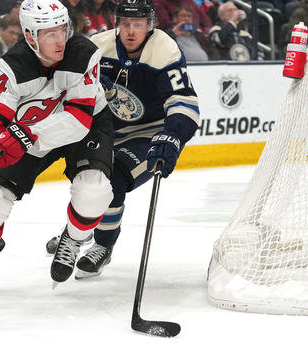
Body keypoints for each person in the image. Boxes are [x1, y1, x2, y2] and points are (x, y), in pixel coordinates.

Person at [0, 0, 114, 291]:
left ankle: (72, 238)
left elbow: (78, 120)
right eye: (50, 34)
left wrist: (26, 134)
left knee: (94, 191)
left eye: (63, 30)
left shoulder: (83, 53)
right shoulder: (12, 65)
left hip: (85, 126)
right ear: (31, 35)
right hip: (32, 132)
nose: (61, 40)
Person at [46, 0, 199, 280]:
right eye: (125, 24)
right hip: (106, 131)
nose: (130, 31)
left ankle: (103, 245)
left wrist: (172, 135)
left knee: (114, 178)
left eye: (138, 25)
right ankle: (81, 228)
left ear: (150, 26)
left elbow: (183, 103)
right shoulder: (98, 46)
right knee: (88, 177)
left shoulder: (164, 50)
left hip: (148, 134)